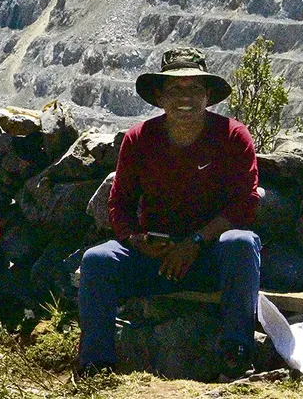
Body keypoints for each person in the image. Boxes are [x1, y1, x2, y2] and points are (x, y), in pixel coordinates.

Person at [77, 47, 261, 380]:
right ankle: (96, 366)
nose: (185, 97)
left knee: (242, 243)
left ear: (208, 95)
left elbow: (245, 203)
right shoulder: (139, 139)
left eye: (194, 88)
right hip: (156, 259)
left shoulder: (233, 136)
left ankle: (236, 355)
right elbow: (119, 203)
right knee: (97, 260)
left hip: (209, 257)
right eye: (175, 89)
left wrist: (197, 241)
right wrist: (136, 239)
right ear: (160, 96)